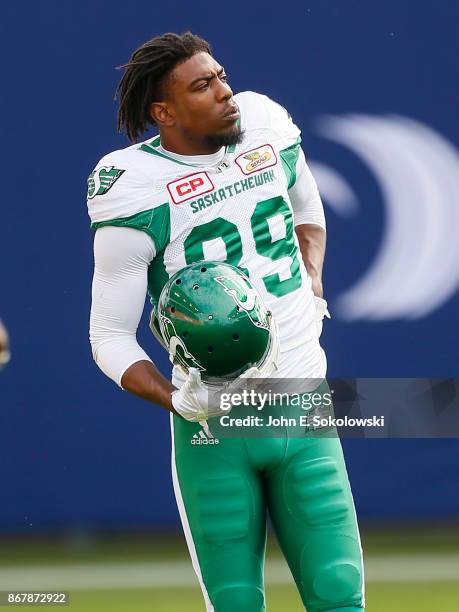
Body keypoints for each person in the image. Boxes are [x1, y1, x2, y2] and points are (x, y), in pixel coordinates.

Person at [88, 31, 364, 612]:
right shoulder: (133, 187)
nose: (225, 92)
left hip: (303, 401)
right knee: (236, 602)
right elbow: (108, 335)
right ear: (163, 111)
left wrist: (312, 276)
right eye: (202, 86)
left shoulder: (265, 123)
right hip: (215, 426)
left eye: (221, 76)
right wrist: (177, 400)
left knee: (339, 592)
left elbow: (307, 211)